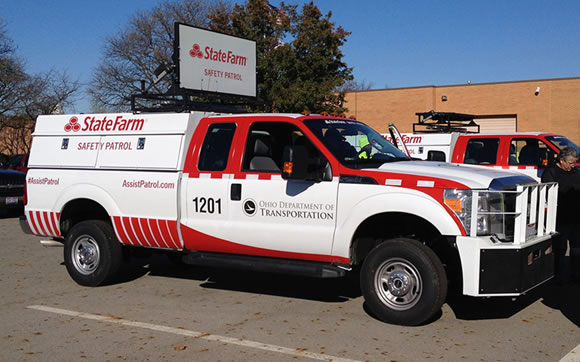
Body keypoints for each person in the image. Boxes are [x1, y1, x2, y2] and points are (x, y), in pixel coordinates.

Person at [541, 147, 580, 283]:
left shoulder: (576, 172)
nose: (573, 165)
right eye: (570, 162)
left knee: (576, 247)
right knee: (560, 248)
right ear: (561, 161)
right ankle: (557, 275)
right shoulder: (551, 172)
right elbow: (549, 192)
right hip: (560, 217)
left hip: (576, 217)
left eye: (574, 162)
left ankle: (575, 274)